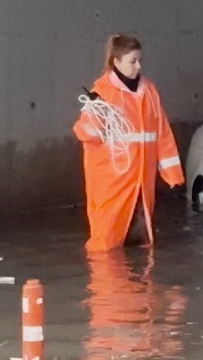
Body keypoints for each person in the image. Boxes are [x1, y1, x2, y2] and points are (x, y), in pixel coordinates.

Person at [73, 34, 184, 252]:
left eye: (139, 60)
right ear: (116, 62)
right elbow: (83, 131)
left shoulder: (149, 91)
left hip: (141, 183)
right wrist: (98, 118)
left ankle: (137, 286)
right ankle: (108, 286)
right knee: (106, 243)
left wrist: (173, 175)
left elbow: (162, 132)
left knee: (142, 243)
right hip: (111, 184)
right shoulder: (102, 94)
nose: (138, 66)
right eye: (132, 61)